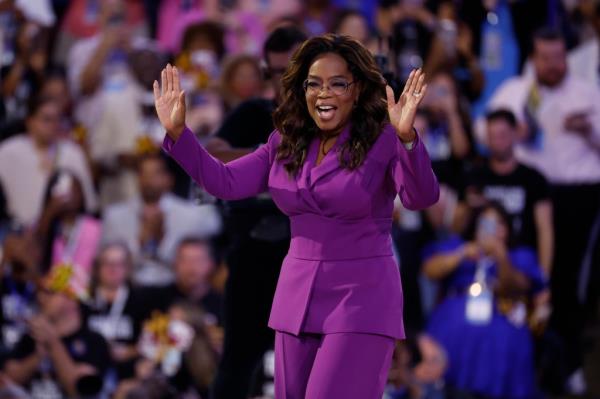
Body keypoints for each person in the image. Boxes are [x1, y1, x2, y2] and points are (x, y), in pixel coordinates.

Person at [154, 33, 439, 398]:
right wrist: (179, 133)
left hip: (360, 298)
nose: (324, 93)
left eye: (338, 84)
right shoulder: (284, 142)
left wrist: (408, 139)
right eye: (314, 84)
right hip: (296, 298)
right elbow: (224, 182)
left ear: (357, 90)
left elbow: (421, 197)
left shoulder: (384, 139)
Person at [484, 28, 600, 393]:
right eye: (546, 58)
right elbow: (482, 128)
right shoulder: (516, 93)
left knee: (567, 284)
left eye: (560, 57)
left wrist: (588, 128)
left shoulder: (586, 93)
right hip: (527, 192)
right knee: (526, 275)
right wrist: (509, 133)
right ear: (534, 57)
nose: (554, 65)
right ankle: (523, 363)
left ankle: (570, 365)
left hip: (578, 196)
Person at [204, 25, 307, 399]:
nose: (286, 81)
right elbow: (213, 153)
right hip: (252, 256)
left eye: (293, 69)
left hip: (309, 259)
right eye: (277, 72)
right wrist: (271, 162)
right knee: (238, 361)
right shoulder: (254, 112)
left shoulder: (333, 123)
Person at [423, 202, 546, 399]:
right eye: (487, 223)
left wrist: (500, 255)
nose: (493, 230)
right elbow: (430, 270)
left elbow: (517, 286)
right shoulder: (459, 246)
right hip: (455, 318)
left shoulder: (520, 255)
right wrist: (461, 254)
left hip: (501, 317)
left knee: (504, 340)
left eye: (500, 224)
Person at [456, 109, 553, 274]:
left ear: (515, 134)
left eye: (503, 135)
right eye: (492, 136)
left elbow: (545, 229)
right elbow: (455, 229)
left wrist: (543, 278)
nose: (498, 141)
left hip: (521, 261)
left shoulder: (534, 179)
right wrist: (467, 206)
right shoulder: (474, 176)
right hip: (477, 259)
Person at [102, 153, 221, 286]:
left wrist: (162, 239)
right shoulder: (115, 216)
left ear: (169, 179)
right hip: (131, 287)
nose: (148, 180)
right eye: (144, 174)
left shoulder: (191, 215)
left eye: (155, 174)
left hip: (174, 287)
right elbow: (110, 263)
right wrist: (140, 242)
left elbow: (200, 256)